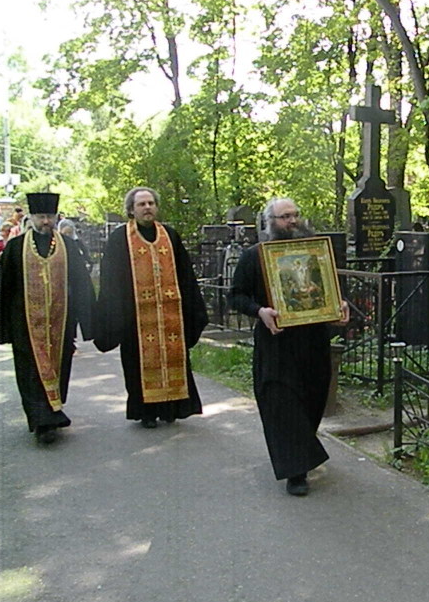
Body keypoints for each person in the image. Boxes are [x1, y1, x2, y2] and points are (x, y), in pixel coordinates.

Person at [230, 197, 349, 496]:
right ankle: (296, 472)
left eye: (295, 215)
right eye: (285, 217)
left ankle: (301, 455)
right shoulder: (254, 256)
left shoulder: (316, 254)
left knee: (312, 400)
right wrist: (260, 311)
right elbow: (236, 296)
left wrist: (339, 307)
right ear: (270, 222)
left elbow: (331, 292)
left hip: (313, 342)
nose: (293, 221)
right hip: (277, 343)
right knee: (282, 403)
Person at [0, 193, 96, 444]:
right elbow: (4, 287)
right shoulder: (16, 247)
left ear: (56, 217)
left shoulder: (67, 246)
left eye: (50, 217)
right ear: (31, 218)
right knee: (30, 371)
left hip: (60, 321)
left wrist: (87, 321)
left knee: (59, 366)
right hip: (25, 323)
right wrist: (2, 326)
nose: (45, 222)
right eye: (41, 217)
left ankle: (54, 409)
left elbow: (81, 284)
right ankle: (41, 420)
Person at [94, 187, 207, 428]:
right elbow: (111, 280)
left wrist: (192, 309)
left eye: (151, 203)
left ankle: (171, 408)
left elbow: (186, 275)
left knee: (174, 358)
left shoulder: (170, 236)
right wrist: (118, 314)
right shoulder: (120, 239)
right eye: (142, 204)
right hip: (135, 318)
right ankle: (146, 413)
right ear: (131, 210)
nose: (147, 208)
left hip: (170, 317)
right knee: (137, 365)